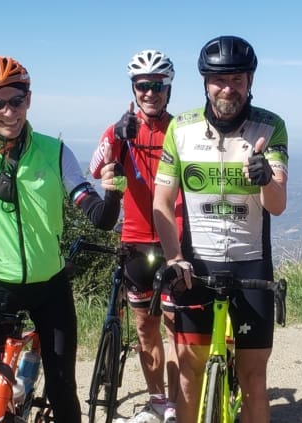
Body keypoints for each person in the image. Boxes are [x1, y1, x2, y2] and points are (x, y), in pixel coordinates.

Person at [0, 55, 124, 423]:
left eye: (16, 100)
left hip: (50, 286)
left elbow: (100, 219)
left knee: (64, 390)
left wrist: (113, 192)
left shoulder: (55, 152)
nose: (8, 112)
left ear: (29, 99)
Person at [152, 35, 288, 423]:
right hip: (196, 265)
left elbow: (276, 205)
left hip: (252, 264)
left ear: (249, 81)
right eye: (219, 79)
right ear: (205, 82)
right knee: (190, 375)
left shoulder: (270, 126)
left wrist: (265, 177)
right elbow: (162, 202)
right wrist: (175, 258)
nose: (228, 87)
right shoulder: (181, 127)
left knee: (253, 378)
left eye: (238, 79)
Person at [89, 49, 183, 423]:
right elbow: (96, 168)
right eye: (143, 85)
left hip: (174, 241)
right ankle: (158, 401)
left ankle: (177, 403)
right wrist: (116, 136)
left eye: (158, 85)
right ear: (134, 88)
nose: (150, 92)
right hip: (135, 241)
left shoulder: (181, 129)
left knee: (178, 330)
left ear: (168, 88)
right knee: (146, 329)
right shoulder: (119, 131)